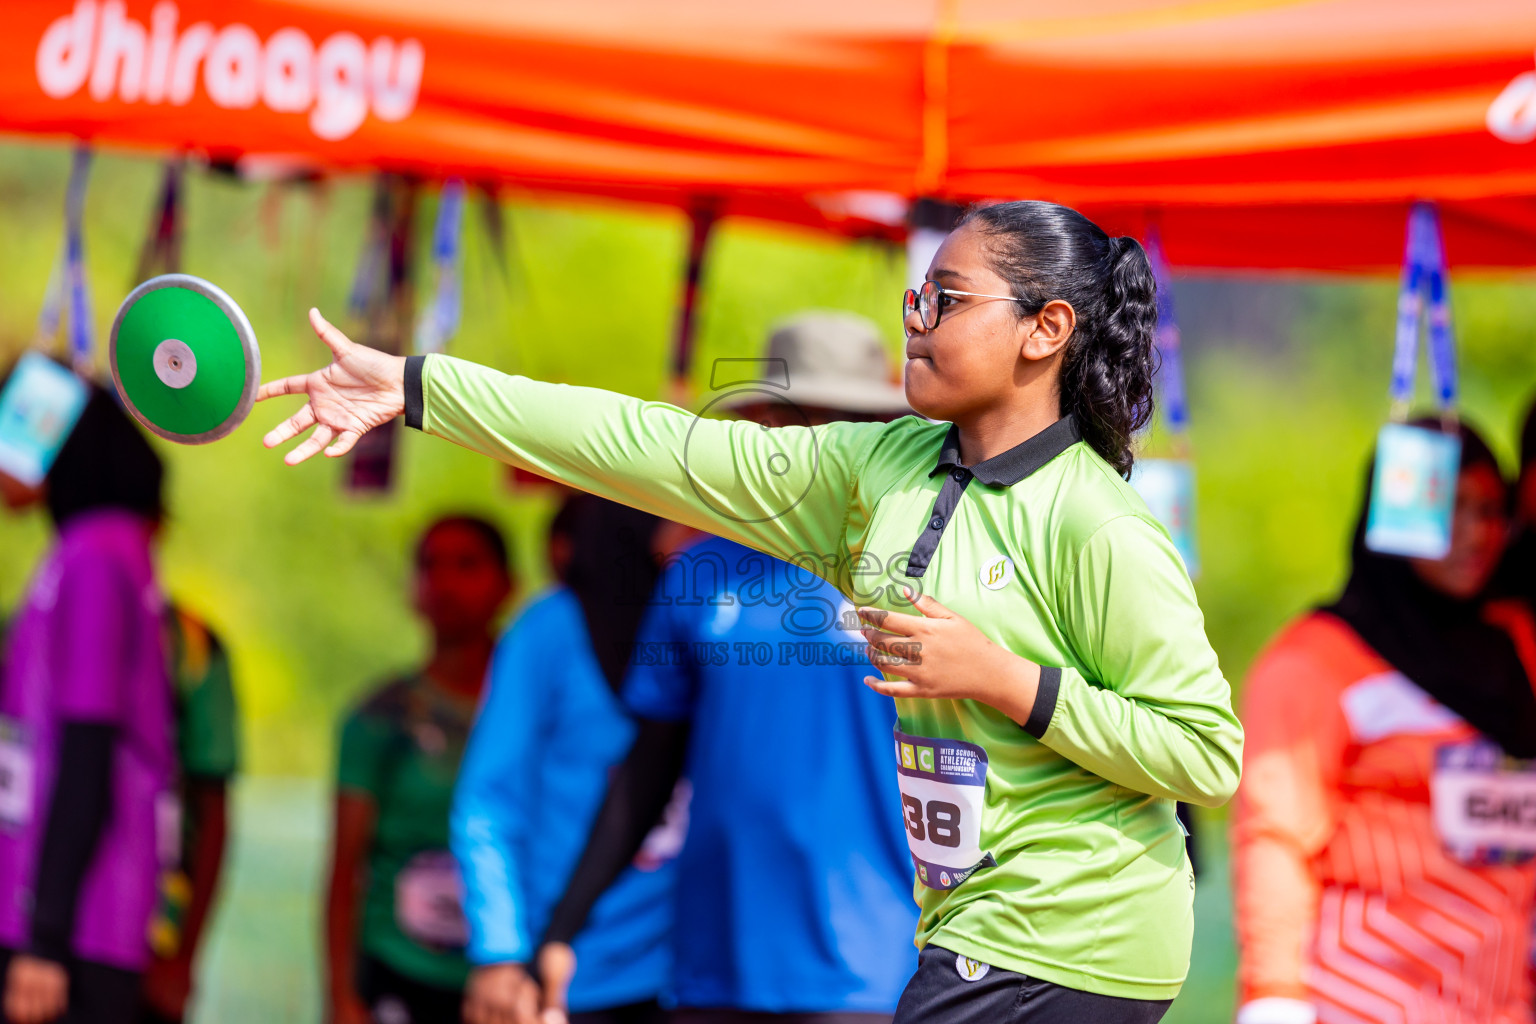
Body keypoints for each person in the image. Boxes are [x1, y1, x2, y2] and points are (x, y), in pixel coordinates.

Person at [262, 199, 1244, 1024]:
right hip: (952, 929)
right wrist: (420, 387)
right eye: (914, 296)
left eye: (944, 300)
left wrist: (1004, 679)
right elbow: (650, 446)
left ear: (1048, 328)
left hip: (1072, 932)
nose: (916, 319)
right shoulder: (879, 471)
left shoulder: (1097, 521)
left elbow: (1205, 751)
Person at [534, 313, 919, 1024]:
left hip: (878, 969)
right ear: (763, 424)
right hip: (715, 972)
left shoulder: (919, 570)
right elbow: (648, 770)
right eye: (805, 417)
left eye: (854, 420)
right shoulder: (699, 576)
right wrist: (562, 929)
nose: (828, 439)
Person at [1234, 421, 1536, 1024]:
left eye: (1489, 510)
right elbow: (1275, 837)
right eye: (1449, 508)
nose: (1476, 533)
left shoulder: (1517, 648)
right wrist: (1273, 996)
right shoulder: (1316, 661)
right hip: (1363, 1003)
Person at [453, 495, 678, 1024]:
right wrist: (499, 952)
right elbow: (489, 801)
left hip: (685, 964)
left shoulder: (706, 621)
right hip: (568, 965)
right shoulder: (548, 631)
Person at [0, 387, 176, 1024]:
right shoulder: (89, 549)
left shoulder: (99, 555)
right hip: (54, 914)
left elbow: (89, 744)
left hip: (77, 927)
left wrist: (45, 938)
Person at [325, 516, 514, 1024]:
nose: (445, 583)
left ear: (508, 585)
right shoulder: (378, 719)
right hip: (396, 976)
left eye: (467, 565)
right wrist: (341, 999)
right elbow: (344, 871)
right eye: (431, 566)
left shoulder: (533, 716)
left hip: (503, 985)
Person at [140, 604, 241, 1024]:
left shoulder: (192, 645)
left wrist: (183, 958)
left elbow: (212, 810)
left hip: (151, 938)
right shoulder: (24, 629)